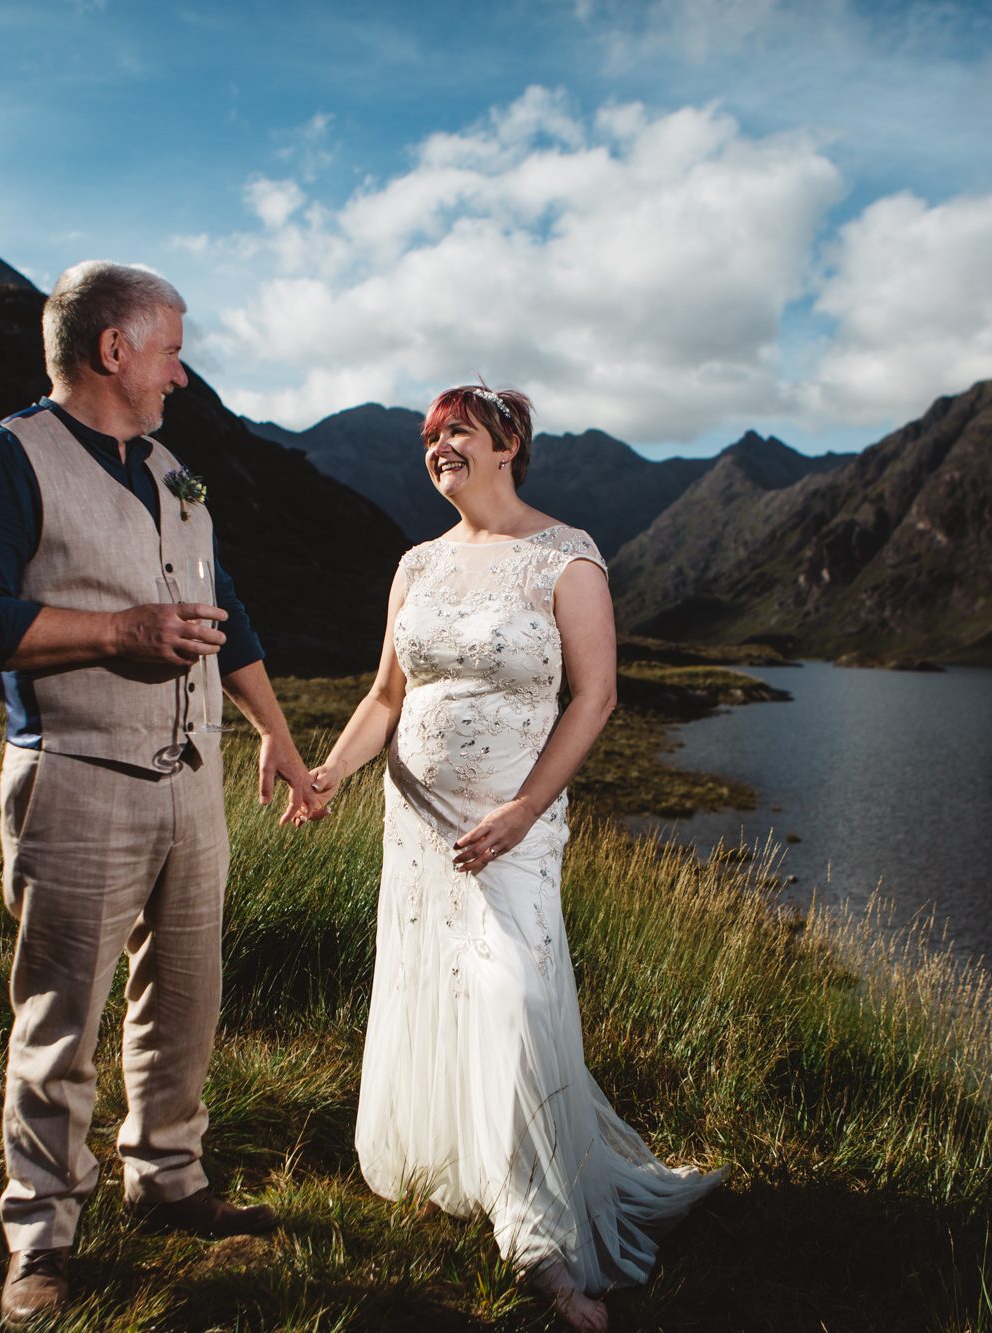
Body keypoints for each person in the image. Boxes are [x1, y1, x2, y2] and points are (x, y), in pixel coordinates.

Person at [0, 261, 320, 1324]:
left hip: (192, 788)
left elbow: (221, 609)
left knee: (186, 994)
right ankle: (40, 1235)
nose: (180, 375)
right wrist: (115, 632)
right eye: (171, 350)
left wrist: (274, 737)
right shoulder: (4, 460)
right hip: (75, 779)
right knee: (60, 1020)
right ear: (113, 351)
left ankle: (167, 1174)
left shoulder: (177, 473)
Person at [304, 384, 726, 1331]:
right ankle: (465, 1165)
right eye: (429, 436)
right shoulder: (414, 564)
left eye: (455, 430)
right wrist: (330, 770)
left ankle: (541, 1237)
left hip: (513, 828)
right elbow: (383, 695)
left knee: (515, 997)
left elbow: (597, 696)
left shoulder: (564, 557)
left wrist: (528, 807)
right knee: (435, 986)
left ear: (508, 443)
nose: (438, 446)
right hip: (415, 824)